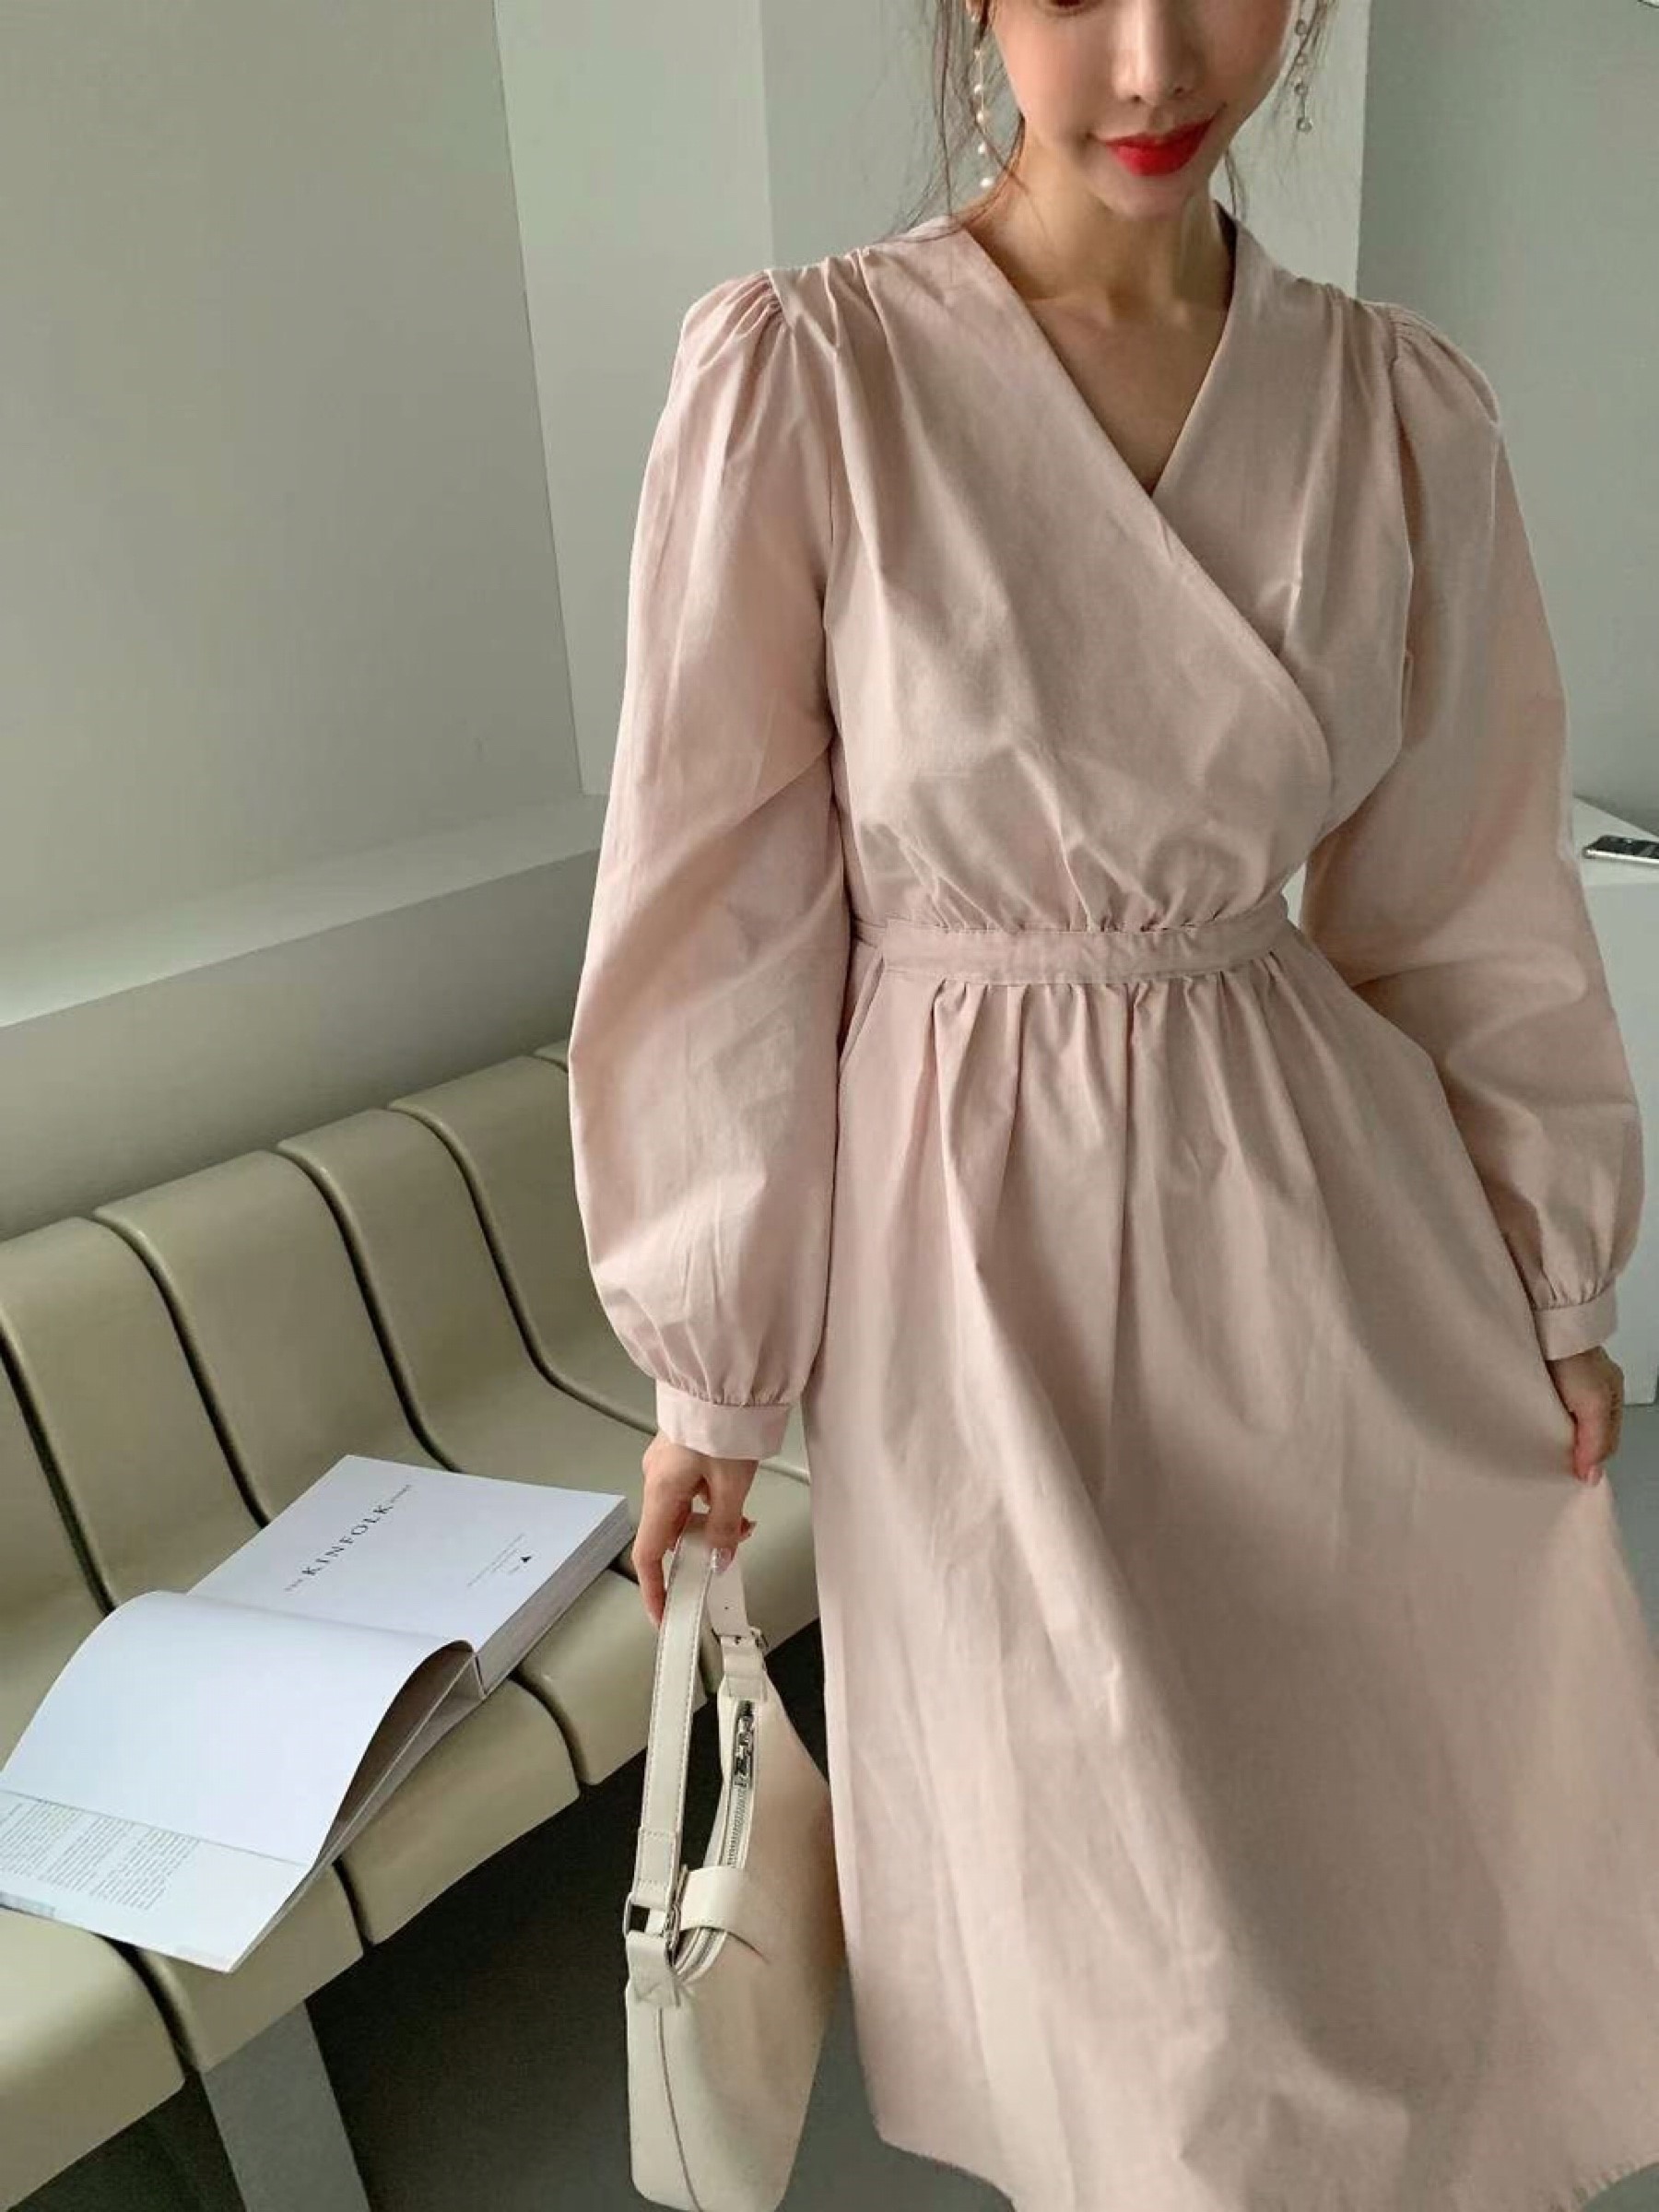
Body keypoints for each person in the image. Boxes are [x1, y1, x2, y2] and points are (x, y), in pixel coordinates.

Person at [566, 2, 1659, 2205]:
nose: (1154, 66)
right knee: (1118, 1939)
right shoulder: (815, 381)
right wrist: (715, 1369)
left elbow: (1463, 892)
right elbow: (724, 905)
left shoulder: (1396, 410)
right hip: (974, 1265)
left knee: (1352, 1852)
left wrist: (1551, 1273)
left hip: (1314, 1231)